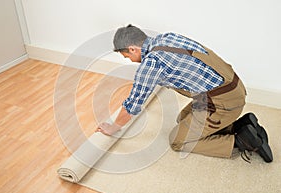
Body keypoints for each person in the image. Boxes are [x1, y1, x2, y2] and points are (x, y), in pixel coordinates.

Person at [96, 24, 273, 163]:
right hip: (233, 87)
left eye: (127, 57)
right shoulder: (168, 37)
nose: (130, 61)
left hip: (223, 102)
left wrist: (113, 128)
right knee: (183, 119)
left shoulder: (150, 65)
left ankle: (242, 141)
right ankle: (241, 125)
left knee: (178, 141)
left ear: (133, 49)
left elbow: (132, 105)